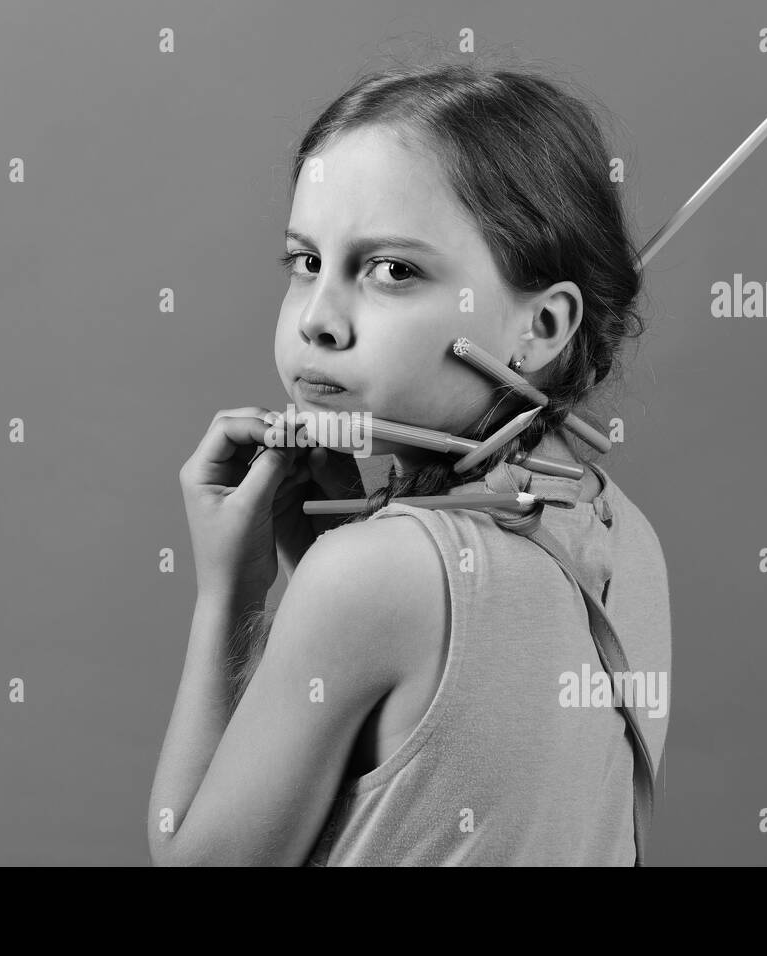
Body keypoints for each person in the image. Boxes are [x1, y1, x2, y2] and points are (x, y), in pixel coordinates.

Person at [148, 60, 671, 866]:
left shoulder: (372, 577)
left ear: (541, 326)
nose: (320, 320)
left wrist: (233, 592)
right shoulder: (627, 536)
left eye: (392, 270)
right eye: (305, 262)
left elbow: (194, 860)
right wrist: (337, 552)